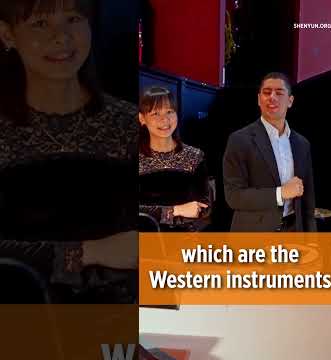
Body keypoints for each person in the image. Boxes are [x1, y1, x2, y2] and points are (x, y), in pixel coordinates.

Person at [0, 0, 138, 303]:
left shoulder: (127, 123)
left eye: (73, 19)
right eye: (40, 23)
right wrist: (86, 252)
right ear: (7, 34)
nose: (61, 37)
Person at [223, 72, 316, 232]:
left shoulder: (302, 144)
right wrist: (280, 193)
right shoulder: (239, 140)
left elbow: (308, 199)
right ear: (259, 99)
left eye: (279, 93)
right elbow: (234, 196)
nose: (272, 97)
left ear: (290, 101)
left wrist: (313, 240)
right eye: (267, 92)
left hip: (294, 233)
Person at [138, 86, 211, 232]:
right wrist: (174, 210)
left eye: (169, 112)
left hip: (186, 243)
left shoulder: (194, 156)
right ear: (142, 118)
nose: (164, 119)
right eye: (155, 113)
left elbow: (204, 206)